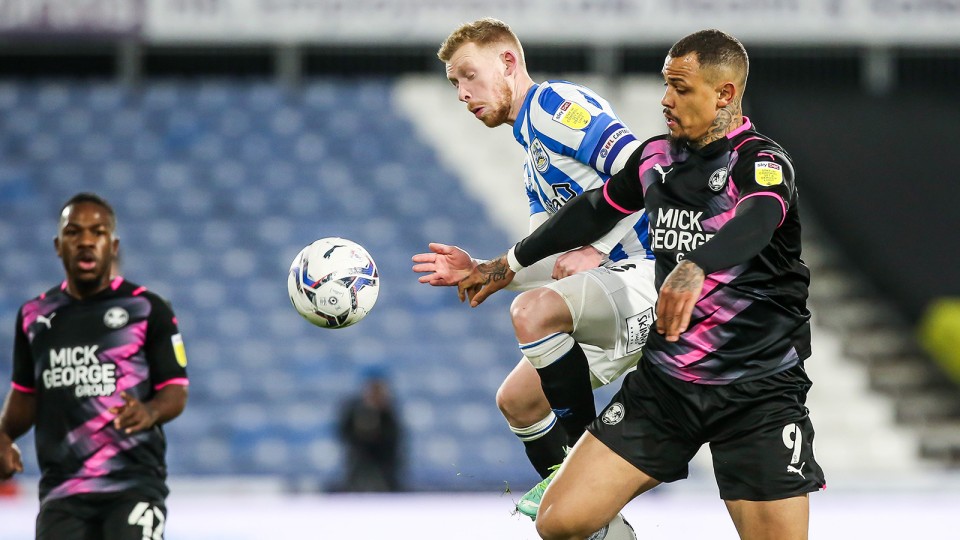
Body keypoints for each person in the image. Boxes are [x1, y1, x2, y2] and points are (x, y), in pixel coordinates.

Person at [459, 29, 825, 540]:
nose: (665, 100)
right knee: (560, 522)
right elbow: (592, 210)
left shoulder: (759, 161)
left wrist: (696, 264)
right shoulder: (656, 157)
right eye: (664, 85)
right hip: (666, 388)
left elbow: (757, 221)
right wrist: (502, 266)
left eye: (680, 88)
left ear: (724, 94)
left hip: (755, 391)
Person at [412, 17, 657, 522]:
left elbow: (646, 169)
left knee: (531, 313)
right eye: (454, 84)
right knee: (519, 400)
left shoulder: (552, 108)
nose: (462, 93)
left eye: (469, 75)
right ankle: (596, 527)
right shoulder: (531, 157)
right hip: (616, 290)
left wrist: (602, 245)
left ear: (508, 62)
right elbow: (546, 252)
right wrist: (484, 269)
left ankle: (583, 471)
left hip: (650, 277)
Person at [0, 192, 189, 540]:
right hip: (63, 492)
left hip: (133, 484)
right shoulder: (34, 316)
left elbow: (175, 391)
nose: (86, 241)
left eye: (97, 232)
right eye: (74, 232)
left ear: (113, 245)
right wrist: (3, 435)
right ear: (58, 246)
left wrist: (150, 411)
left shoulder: (148, 308)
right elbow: (25, 396)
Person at [334, 366, 404, 492]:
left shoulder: (388, 412)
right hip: (359, 459)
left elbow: (394, 438)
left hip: (383, 462)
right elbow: (344, 432)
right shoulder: (354, 408)